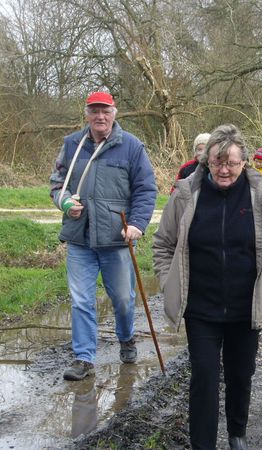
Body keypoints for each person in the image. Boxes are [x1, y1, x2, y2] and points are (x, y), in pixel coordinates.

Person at [153, 124, 262, 450]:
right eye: (217, 162)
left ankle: (237, 434)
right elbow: (163, 243)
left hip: (246, 306)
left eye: (231, 163)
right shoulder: (186, 194)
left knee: (240, 374)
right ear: (205, 161)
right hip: (200, 307)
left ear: (244, 162)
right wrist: (168, 282)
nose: (224, 169)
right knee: (204, 377)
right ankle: (202, 444)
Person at [49, 91, 157, 381]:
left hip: (116, 240)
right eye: (94, 111)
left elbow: (146, 190)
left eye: (105, 111)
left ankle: (126, 338)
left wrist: (136, 224)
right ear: (86, 113)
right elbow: (56, 184)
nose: (100, 116)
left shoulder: (131, 146)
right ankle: (84, 358)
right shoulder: (72, 144)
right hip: (80, 239)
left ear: (114, 113)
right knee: (81, 299)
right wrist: (65, 202)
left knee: (122, 298)